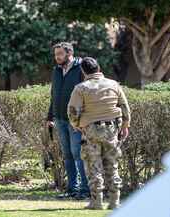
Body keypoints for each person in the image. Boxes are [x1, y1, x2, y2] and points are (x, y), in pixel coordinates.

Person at [68, 57, 131, 210]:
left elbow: (72, 111)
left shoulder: (81, 88)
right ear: (99, 68)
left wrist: (77, 125)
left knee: (93, 165)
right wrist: (125, 125)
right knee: (112, 164)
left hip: (90, 130)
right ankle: (115, 201)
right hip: (112, 129)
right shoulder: (113, 84)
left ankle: (96, 202)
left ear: (83, 71)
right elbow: (124, 106)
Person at [47, 42, 90, 199]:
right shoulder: (56, 70)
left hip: (76, 121)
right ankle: (72, 189)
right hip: (59, 119)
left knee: (78, 154)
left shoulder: (81, 68)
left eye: (60, 54)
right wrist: (50, 116)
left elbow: (87, 95)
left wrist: (83, 119)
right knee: (67, 155)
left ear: (69, 53)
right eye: (55, 54)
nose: (57, 57)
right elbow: (54, 95)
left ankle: (85, 190)